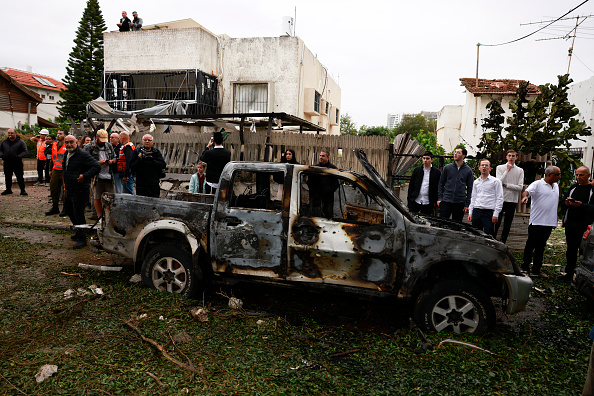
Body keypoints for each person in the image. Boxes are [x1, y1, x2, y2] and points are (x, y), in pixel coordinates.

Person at [521, 166, 561, 277]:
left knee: (541, 246)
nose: (559, 177)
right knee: (530, 245)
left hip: (549, 222)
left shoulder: (556, 186)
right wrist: (525, 197)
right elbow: (526, 192)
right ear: (549, 174)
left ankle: (537, 269)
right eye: (557, 174)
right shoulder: (537, 184)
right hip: (537, 221)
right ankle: (525, 268)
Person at [62, 135, 100, 249]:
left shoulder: (82, 154)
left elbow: (96, 166)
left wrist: (85, 176)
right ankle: (79, 231)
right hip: (70, 188)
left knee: (79, 213)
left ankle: (82, 239)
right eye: (67, 142)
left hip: (80, 188)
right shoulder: (66, 154)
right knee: (69, 210)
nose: (69, 144)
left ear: (77, 142)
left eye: (71, 142)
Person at [560, 166, 594, 281]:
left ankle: (583, 276)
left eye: (581, 175)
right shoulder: (574, 187)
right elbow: (563, 204)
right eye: (577, 175)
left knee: (585, 251)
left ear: (588, 175)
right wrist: (567, 203)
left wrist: (581, 205)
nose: (578, 177)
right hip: (570, 223)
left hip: (585, 225)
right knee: (571, 249)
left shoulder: (592, 189)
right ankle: (569, 273)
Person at [84, 129, 117, 219]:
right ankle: (99, 217)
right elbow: (85, 161)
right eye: (101, 140)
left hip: (109, 175)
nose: (103, 142)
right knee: (97, 197)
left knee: (111, 198)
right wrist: (98, 162)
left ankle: (109, 216)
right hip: (96, 176)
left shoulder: (108, 145)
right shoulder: (89, 147)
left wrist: (111, 161)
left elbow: (115, 157)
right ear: (97, 137)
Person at [495, 149, 525, 243]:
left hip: (512, 200)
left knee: (507, 224)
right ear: (506, 157)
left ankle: (503, 242)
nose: (511, 157)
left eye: (513, 156)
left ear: (516, 157)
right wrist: (507, 170)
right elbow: (499, 182)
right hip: (500, 199)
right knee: (496, 222)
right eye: (509, 155)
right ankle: (492, 240)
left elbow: (520, 187)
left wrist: (507, 185)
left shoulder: (520, 170)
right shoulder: (500, 168)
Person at [467, 159, 503, 236]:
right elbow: (473, 197)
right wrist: (470, 212)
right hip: (476, 211)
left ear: (490, 168)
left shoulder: (496, 181)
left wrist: (496, 213)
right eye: (482, 165)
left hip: (488, 212)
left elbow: (499, 198)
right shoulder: (476, 182)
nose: (484, 167)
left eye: (486, 165)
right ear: (479, 168)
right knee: (475, 235)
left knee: (489, 235)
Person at [437, 147, 474, 221]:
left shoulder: (468, 171)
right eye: (455, 152)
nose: (455, 154)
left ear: (463, 156)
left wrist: (467, 204)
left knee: (457, 225)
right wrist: (440, 198)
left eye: (458, 153)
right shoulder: (447, 168)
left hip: (460, 203)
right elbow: (441, 183)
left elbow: (470, 188)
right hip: (446, 201)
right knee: (442, 223)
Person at [407, 151, 441, 216]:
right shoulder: (417, 170)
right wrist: (409, 199)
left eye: (427, 158)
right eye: (424, 158)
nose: (425, 160)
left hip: (428, 202)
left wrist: (435, 201)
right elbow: (411, 185)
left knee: (426, 220)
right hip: (416, 200)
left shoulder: (437, 172)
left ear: (432, 160)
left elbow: (438, 187)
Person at [308, 150, 339, 219]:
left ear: (328, 157)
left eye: (323, 156)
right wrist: (314, 191)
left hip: (328, 196)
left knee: (328, 215)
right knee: (315, 215)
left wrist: (330, 191)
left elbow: (336, 183)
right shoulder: (315, 168)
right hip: (316, 196)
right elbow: (309, 181)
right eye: (320, 155)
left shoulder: (333, 169)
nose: (321, 157)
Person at [0, 128, 28, 196]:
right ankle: (8, 189)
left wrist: (18, 156)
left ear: (15, 133)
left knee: (19, 176)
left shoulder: (21, 142)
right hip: (7, 162)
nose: (10, 134)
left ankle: (22, 190)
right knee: (8, 176)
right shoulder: (4, 142)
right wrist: (2, 156)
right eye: (9, 133)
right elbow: (0, 150)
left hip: (17, 162)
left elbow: (25, 151)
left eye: (11, 133)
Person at [46, 129, 67, 215]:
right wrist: (50, 170)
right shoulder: (54, 144)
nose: (58, 135)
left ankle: (66, 209)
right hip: (55, 170)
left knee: (66, 190)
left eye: (60, 134)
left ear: (65, 135)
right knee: (54, 188)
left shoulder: (68, 144)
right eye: (58, 134)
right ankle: (55, 207)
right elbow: (52, 158)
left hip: (64, 171)